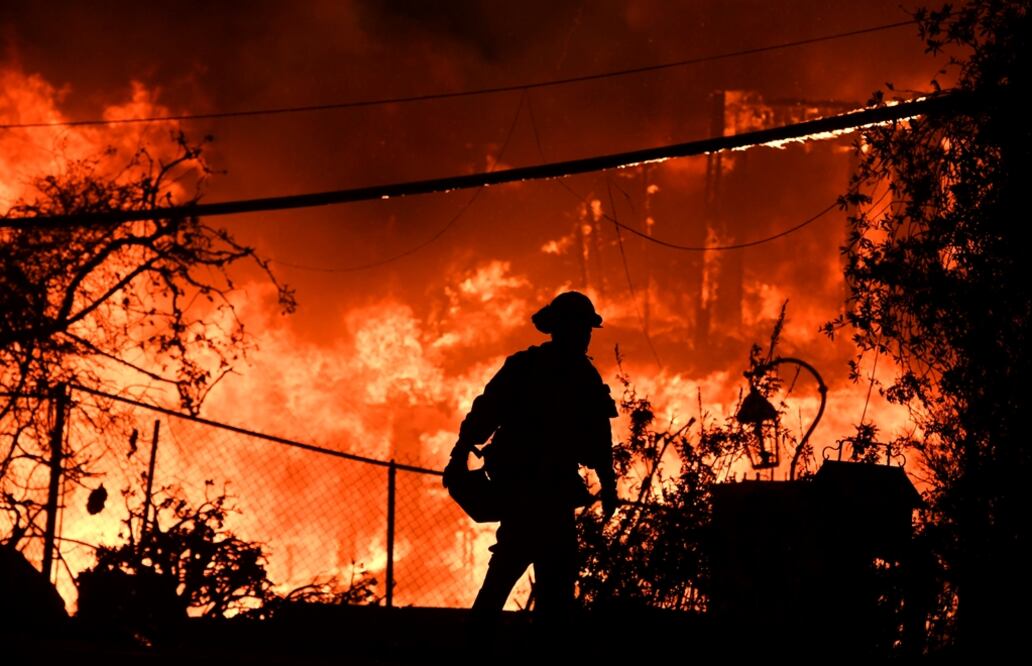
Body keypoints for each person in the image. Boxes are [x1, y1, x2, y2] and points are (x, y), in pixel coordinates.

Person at [444, 291, 619, 625]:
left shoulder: (556, 371)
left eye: (586, 328)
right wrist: (460, 451)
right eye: (580, 327)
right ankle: (483, 653)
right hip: (532, 493)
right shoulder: (546, 370)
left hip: (542, 493)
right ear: (562, 328)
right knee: (524, 577)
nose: (584, 336)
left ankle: (492, 653)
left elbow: (598, 437)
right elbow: (486, 412)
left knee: (534, 580)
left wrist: (609, 483)